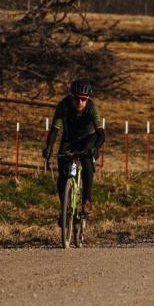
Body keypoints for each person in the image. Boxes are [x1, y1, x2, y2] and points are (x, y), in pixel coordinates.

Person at [43, 79, 105, 225]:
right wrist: (49, 147)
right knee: (62, 177)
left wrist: (95, 148)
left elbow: (101, 133)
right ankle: (64, 209)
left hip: (88, 138)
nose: (80, 102)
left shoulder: (92, 108)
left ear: (87, 99)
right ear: (71, 97)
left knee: (87, 163)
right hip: (69, 139)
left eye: (84, 99)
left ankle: (87, 200)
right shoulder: (63, 106)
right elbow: (54, 130)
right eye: (77, 98)